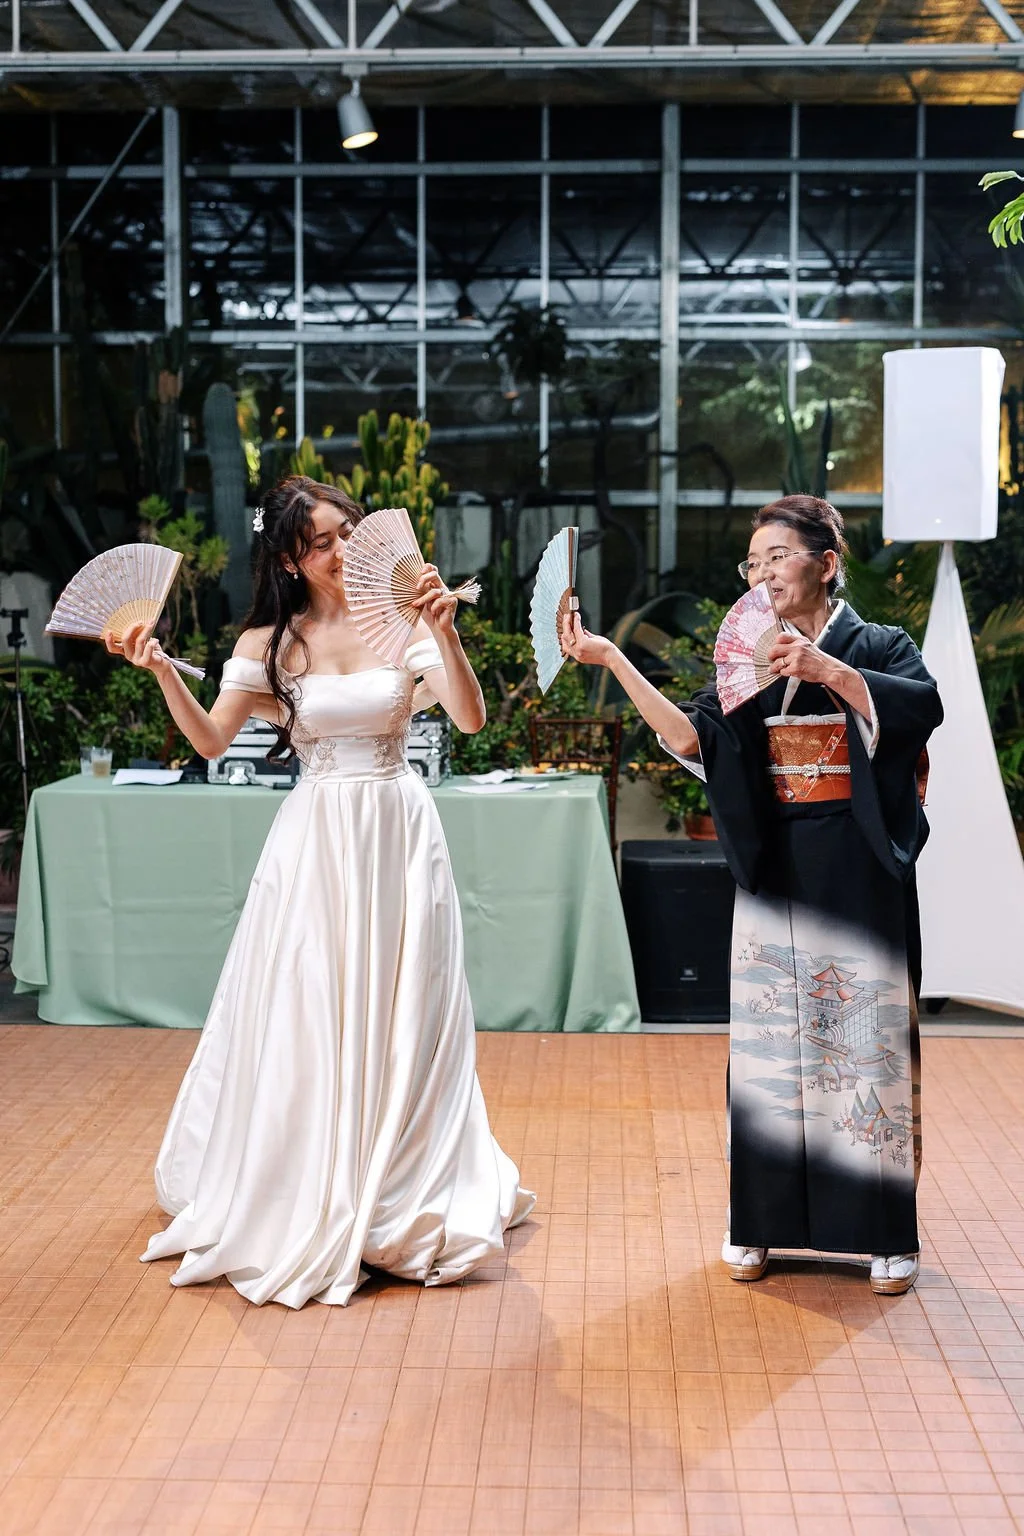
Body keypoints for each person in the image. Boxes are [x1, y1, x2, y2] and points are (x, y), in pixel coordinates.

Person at [110, 475, 534, 1308]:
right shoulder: (269, 642)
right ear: (289, 560)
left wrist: (444, 633)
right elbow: (210, 739)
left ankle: (403, 1179)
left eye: (348, 533)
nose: (342, 551)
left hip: (397, 829)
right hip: (315, 839)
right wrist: (161, 670)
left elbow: (471, 718)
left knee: (408, 1003)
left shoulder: (403, 620)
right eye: (322, 542)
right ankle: (310, 1174)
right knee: (311, 1002)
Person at [562, 496, 941, 1296]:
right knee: (773, 1044)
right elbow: (692, 737)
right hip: (776, 859)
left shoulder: (880, 644)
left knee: (864, 1037)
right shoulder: (752, 656)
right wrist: (615, 660)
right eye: (753, 561)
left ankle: (882, 1232)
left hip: (859, 860)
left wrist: (828, 670)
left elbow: (921, 707)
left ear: (826, 564)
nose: (762, 573)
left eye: (777, 556)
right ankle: (760, 1221)